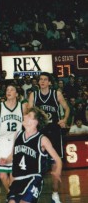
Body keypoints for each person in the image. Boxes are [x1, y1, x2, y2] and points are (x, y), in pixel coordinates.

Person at [0, 107, 62, 203]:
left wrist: (57, 171)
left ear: (35, 121)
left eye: (29, 116)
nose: (24, 116)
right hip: (17, 179)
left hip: (33, 178)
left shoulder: (42, 139)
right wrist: (6, 160)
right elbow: (13, 155)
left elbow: (57, 159)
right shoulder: (17, 135)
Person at [28, 72, 69, 203]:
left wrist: (64, 119)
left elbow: (67, 108)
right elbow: (28, 113)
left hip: (54, 132)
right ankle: (33, 191)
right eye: (41, 79)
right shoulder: (33, 95)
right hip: (39, 133)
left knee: (55, 164)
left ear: (50, 82)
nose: (42, 81)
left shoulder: (56, 93)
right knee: (34, 164)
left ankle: (55, 194)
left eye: (45, 79)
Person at [0, 84, 27, 192]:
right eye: (7, 89)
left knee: (13, 174)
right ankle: (11, 194)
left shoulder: (22, 106)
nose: (9, 91)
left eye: (12, 90)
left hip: (16, 141)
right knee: (2, 175)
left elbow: (27, 122)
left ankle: (12, 197)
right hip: (2, 141)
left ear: (16, 94)